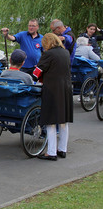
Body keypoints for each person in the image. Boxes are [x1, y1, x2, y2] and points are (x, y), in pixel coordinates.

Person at [32, 33, 73, 161]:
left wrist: (32, 78)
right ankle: (62, 149)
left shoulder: (48, 54)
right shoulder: (65, 52)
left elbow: (37, 71)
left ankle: (51, 152)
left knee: (50, 121)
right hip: (66, 88)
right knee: (63, 120)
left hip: (52, 89)